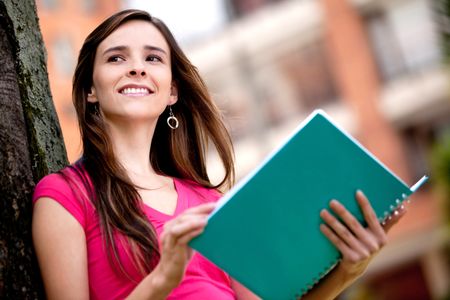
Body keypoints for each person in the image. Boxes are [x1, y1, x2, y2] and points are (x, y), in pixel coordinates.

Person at [32, 9, 406, 300]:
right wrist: (163, 278)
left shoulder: (211, 203)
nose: (136, 67)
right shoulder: (64, 196)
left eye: (153, 58)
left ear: (172, 92)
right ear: (91, 90)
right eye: (116, 58)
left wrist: (349, 271)